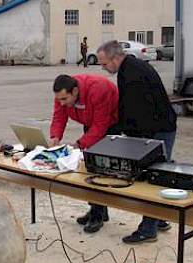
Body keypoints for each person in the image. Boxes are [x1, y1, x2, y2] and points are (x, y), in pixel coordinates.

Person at [97, 40, 177, 244]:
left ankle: (148, 229)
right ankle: (159, 220)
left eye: (104, 64)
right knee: (155, 176)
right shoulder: (129, 68)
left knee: (151, 178)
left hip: (158, 130)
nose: (103, 68)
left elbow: (135, 111)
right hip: (157, 127)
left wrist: (120, 134)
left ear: (115, 58)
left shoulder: (132, 73)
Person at [49, 74, 119, 233]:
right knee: (89, 166)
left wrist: (79, 144)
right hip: (91, 123)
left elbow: (100, 126)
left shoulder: (98, 90)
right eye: (59, 99)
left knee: (99, 170)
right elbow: (59, 116)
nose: (61, 102)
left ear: (74, 91)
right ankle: (98, 209)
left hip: (111, 124)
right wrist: (55, 136)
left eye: (64, 99)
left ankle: (98, 214)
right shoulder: (62, 93)